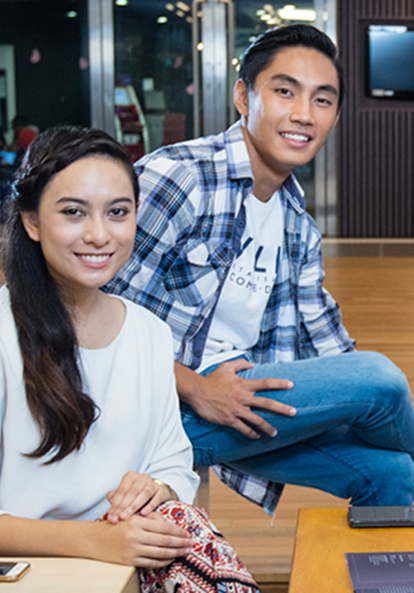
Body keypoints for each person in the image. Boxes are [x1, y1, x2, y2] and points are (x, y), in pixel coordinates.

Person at [107, 24, 414, 514]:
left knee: (395, 475)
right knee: (381, 378)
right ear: (243, 97)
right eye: (284, 91)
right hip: (152, 409)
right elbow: (87, 312)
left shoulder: (296, 222)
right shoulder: (181, 177)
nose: (303, 114)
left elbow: (325, 338)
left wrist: (346, 393)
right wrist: (195, 387)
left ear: (335, 116)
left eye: (322, 99)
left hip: (242, 406)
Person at [0, 126, 259, 593]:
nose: (99, 235)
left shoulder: (148, 333)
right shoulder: (4, 332)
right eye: (73, 212)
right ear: (31, 222)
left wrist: (154, 488)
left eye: (118, 212)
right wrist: (95, 540)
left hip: (119, 566)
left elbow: (174, 463)